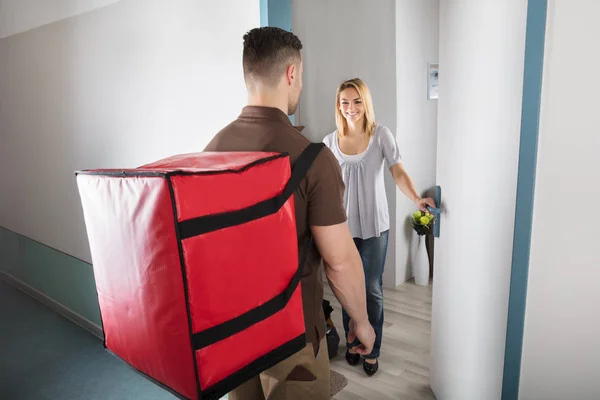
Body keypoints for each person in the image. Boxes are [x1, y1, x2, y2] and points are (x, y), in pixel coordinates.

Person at [204, 28, 375, 400]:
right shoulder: (312, 158)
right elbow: (341, 262)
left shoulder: (212, 151)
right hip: (291, 335)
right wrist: (362, 323)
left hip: (233, 334)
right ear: (292, 73)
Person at [323, 78, 435, 376]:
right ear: (338, 106)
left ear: (366, 103)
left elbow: (397, 171)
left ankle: (372, 349)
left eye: (357, 101)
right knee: (348, 290)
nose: (351, 108)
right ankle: (352, 342)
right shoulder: (329, 142)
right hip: (342, 229)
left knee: (371, 290)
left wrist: (415, 198)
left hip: (375, 227)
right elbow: (322, 186)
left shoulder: (380, 135)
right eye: (345, 102)